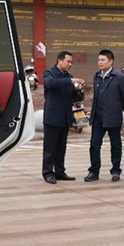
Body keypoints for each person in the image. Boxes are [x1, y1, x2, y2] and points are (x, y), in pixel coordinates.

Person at [85, 49, 124, 182]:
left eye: (103, 60)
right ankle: (94, 171)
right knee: (94, 145)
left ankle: (116, 170)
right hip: (98, 116)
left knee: (115, 145)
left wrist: (119, 110)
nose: (100, 62)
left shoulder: (119, 77)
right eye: (99, 60)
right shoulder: (97, 76)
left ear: (111, 61)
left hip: (113, 116)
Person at [42, 51, 83, 184]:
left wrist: (78, 90)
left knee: (61, 148)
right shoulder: (49, 73)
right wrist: (70, 81)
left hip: (65, 117)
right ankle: (48, 173)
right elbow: (51, 84)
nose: (70, 64)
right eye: (68, 61)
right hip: (52, 117)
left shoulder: (68, 77)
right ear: (59, 61)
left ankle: (60, 172)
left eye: (71, 62)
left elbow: (73, 97)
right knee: (50, 148)